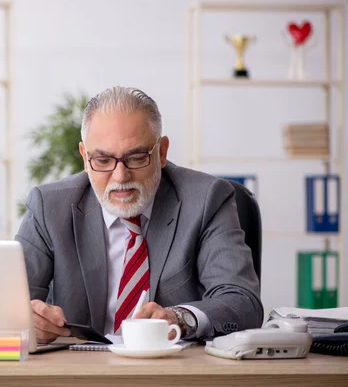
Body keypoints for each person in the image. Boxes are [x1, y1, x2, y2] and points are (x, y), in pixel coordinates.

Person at [15, 86, 263, 344]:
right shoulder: (49, 207)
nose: (120, 177)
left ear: (162, 152)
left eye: (136, 158)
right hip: (80, 372)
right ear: (84, 156)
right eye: (102, 160)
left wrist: (180, 318)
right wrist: (29, 321)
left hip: (175, 374)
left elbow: (242, 302)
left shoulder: (207, 199)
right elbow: (4, 306)